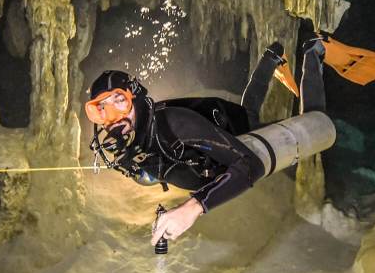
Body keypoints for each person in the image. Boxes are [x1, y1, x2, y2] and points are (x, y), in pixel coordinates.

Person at [85, 37, 327, 247]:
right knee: (249, 106)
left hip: (238, 133)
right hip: (222, 129)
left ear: (135, 98)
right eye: (101, 109)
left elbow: (250, 163)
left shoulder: (173, 124)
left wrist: (192, 208)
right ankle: (271, 56)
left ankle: (312, 52)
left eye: (119, 100)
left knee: (311, 119)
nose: (112, 116)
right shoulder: (134, 144)